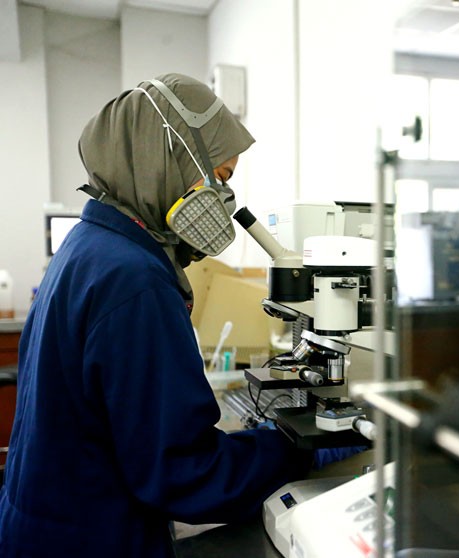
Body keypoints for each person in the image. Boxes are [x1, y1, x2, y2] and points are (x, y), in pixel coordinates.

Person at [0, 74, 311, 557]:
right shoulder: (135, 278)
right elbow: (184, 474)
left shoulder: (88, 246)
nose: (223, 202)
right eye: (221, 179)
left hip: (41, 524)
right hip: (90, 540)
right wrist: (296, 449)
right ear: (164, 159)